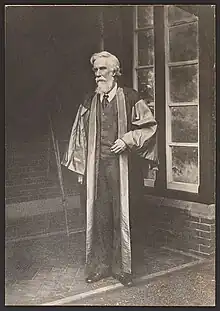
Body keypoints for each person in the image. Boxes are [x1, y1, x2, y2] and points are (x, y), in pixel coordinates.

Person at [62, 51, 158, 287]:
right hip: (97, 171)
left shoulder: (131, 98)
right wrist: (82, 170)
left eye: (103, 69)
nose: (98, 75)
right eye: (95, 70)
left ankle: (122, 268)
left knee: (122, 216)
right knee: (99, 216)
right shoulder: (89, 101)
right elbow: (80, 137)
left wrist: (127, 140)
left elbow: (149, 127)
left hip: (123, 170)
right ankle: (100, 267)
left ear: (115, 71)